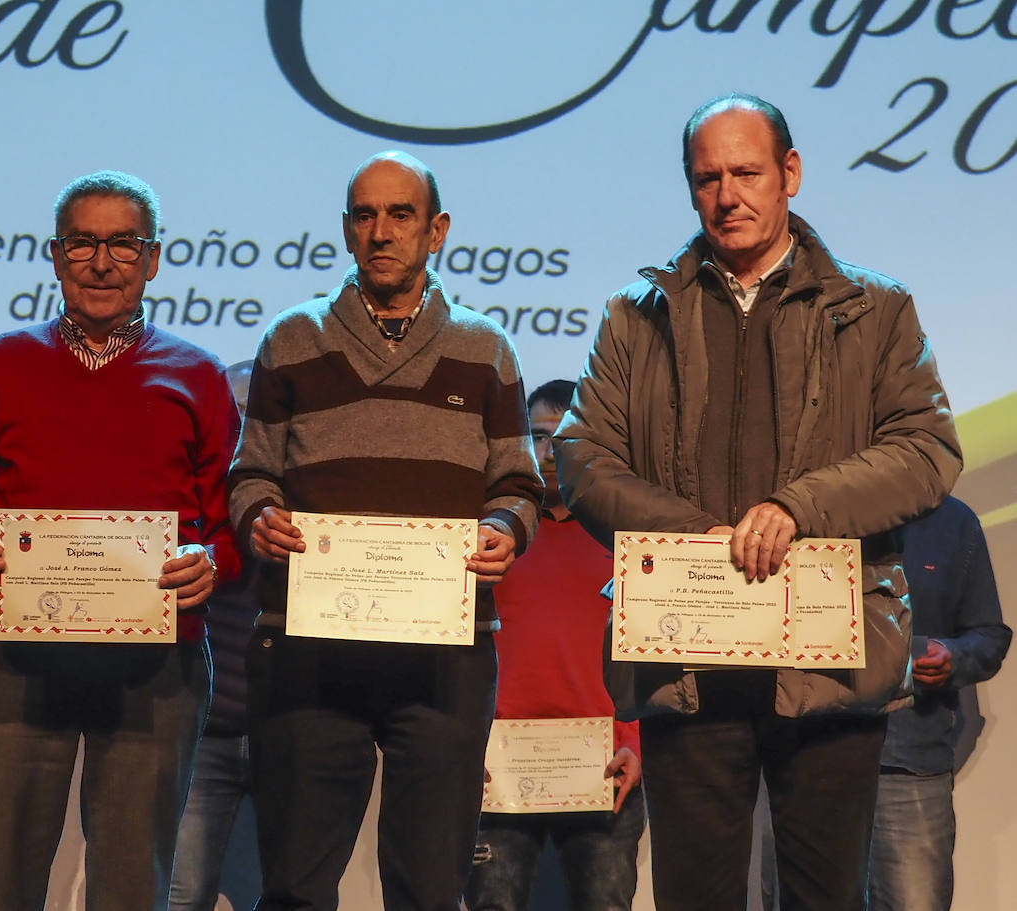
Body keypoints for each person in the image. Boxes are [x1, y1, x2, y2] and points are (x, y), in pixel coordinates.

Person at [555, 93, 962, 911]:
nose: (727, 194)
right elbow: (581, 457)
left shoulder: (875, 310)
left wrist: (797, 506)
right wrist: (697, 537)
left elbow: (928, 449)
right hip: (686, 661)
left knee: (823, 897)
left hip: (827, 661)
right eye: (707, 178)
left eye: (746, 172)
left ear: (790, 175)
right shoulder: (636, 316)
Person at [228, 150, 543, 911]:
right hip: (307, 648)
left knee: (431, 887)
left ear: (435, 230)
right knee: (296, 885)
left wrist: (504, 528)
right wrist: (259, 519)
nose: (381, 231)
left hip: (443, 654)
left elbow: (517, 485)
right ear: (344, 230)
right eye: (364, 215)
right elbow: (253, 473)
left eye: (400, 215)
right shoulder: (292, 338)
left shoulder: (486, 347)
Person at [0, 170, 240, 911]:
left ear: (154, 259)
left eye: (123, 245)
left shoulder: (198, 374)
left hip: (157, 660)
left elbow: (228, 525)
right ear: (55, 254)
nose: (102, 262)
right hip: (15, 653)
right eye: (83, 244)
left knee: (133, 884)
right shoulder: (2, 364)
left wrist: (212, 562)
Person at [466, 379, 644, 911]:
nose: (550, 452)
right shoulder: (489, 540)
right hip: (496, 765)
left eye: (565, 438)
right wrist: (465, 745)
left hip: (606, 763)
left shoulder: (631, 539)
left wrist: (637, 744)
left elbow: (653, 650)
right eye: (538, 437)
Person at [867, 495, 1010, 911]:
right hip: (809, 762)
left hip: (909, 763)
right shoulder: (810, 510)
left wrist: (954, 657)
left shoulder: (954, 522)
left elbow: (989, 634)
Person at [170, 359, 263, 911]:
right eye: (233, 413)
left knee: (296, 891)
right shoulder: (186, 502)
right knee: (183, 894)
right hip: (203, 730)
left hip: (289, 729)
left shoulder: (312, 510)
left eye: (257, 414)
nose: (243, 428)